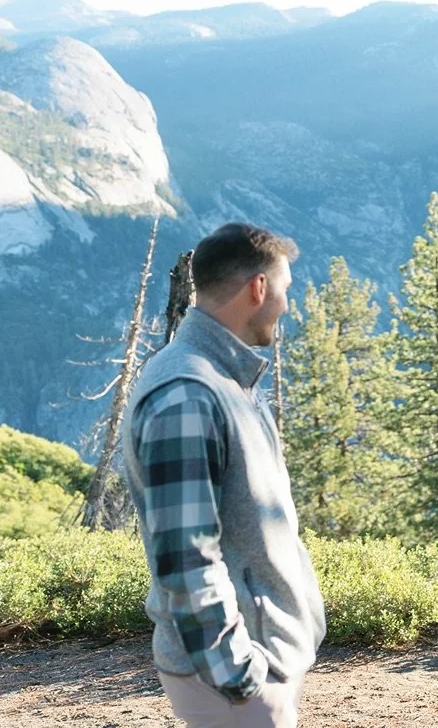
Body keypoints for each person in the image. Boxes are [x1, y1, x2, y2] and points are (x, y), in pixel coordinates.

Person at [121, 222, 325, 728]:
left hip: (250, 661)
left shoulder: (218, 378)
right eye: (285, 290)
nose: (286, 305)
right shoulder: (189, 394)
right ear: (259, 288)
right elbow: (187, 559)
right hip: (231, 679)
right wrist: (239, 675)